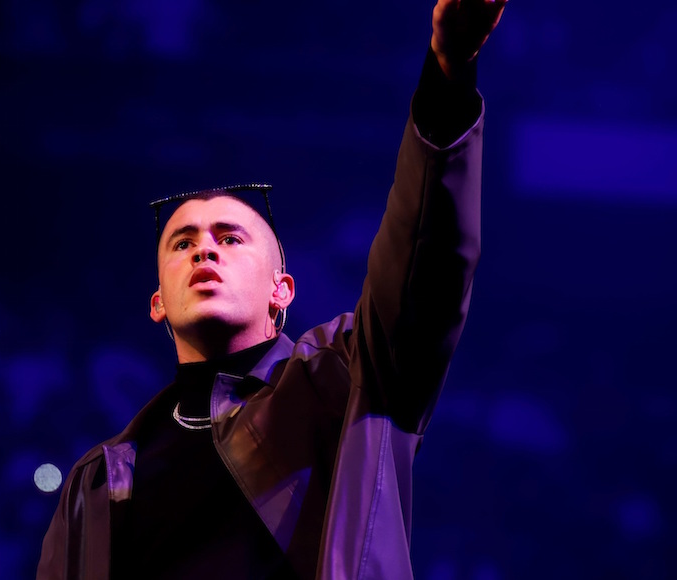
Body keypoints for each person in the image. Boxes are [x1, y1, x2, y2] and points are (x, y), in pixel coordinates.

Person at [38, 1, 507, 578]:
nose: (204, 250)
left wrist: (448, 80)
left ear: (281, 290)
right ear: (158, 302)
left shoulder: (348, 380)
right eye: (182, 243)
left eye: (230, 238)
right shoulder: (97, 480)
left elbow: (423, 267)